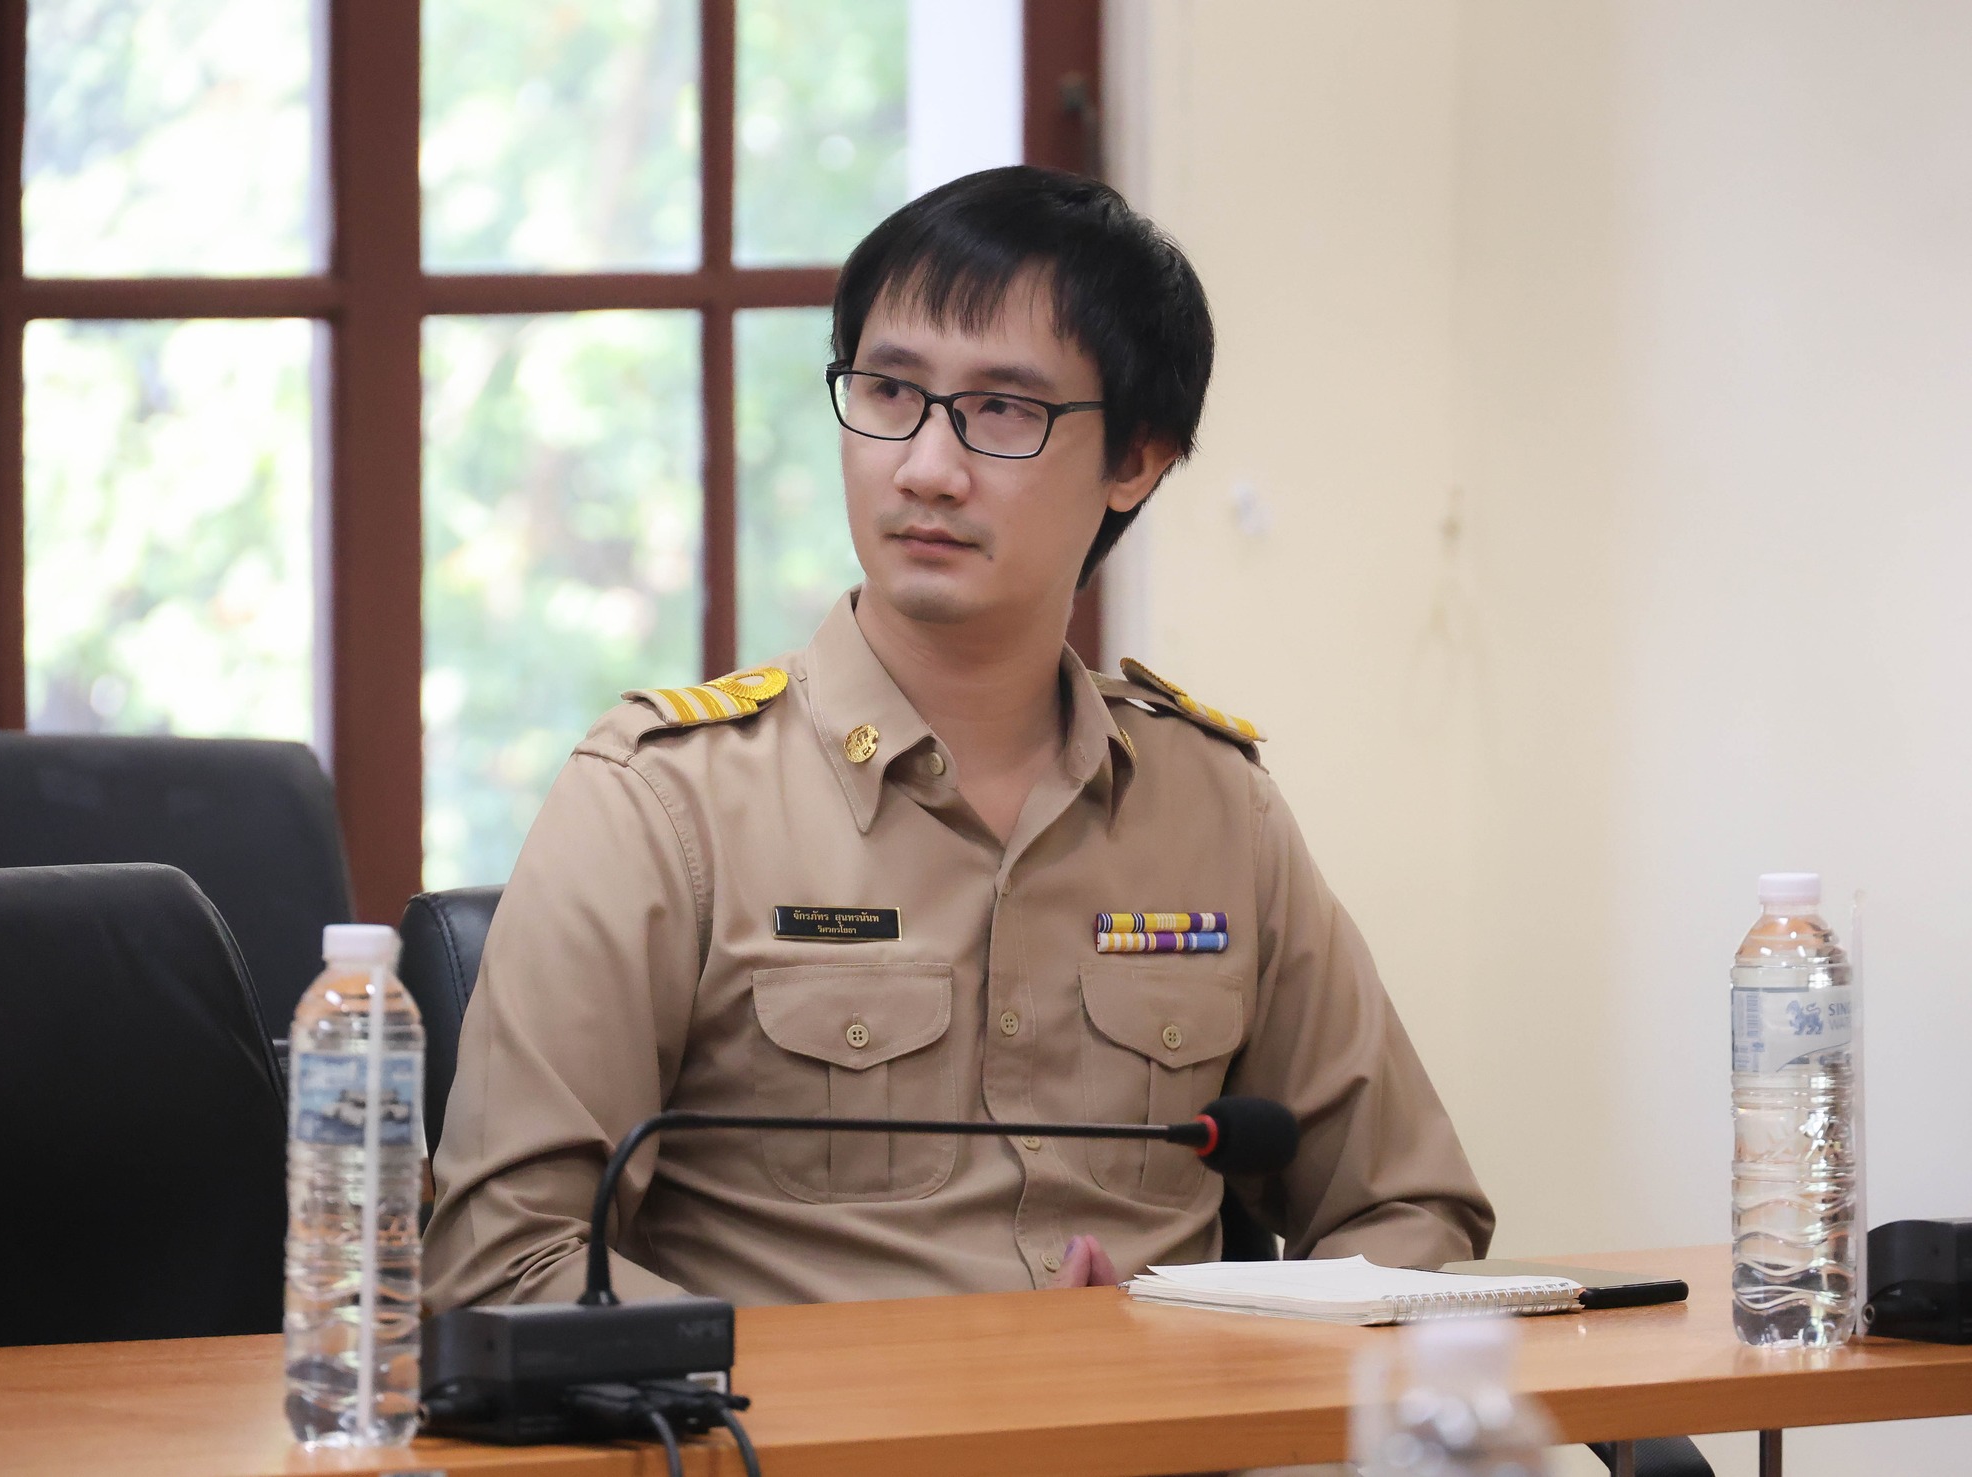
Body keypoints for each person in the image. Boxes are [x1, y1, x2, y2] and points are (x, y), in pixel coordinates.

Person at [424, 165, 1491, 1311]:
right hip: (781, 1412)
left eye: (1002, 411)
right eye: (888, 391)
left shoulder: (1213, 807)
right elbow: (503, 1263)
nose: (925, 468)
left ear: (1135, 457)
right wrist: (871, 1383)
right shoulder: (663, 802)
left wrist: (1215, 1348)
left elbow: (1407, 1208)